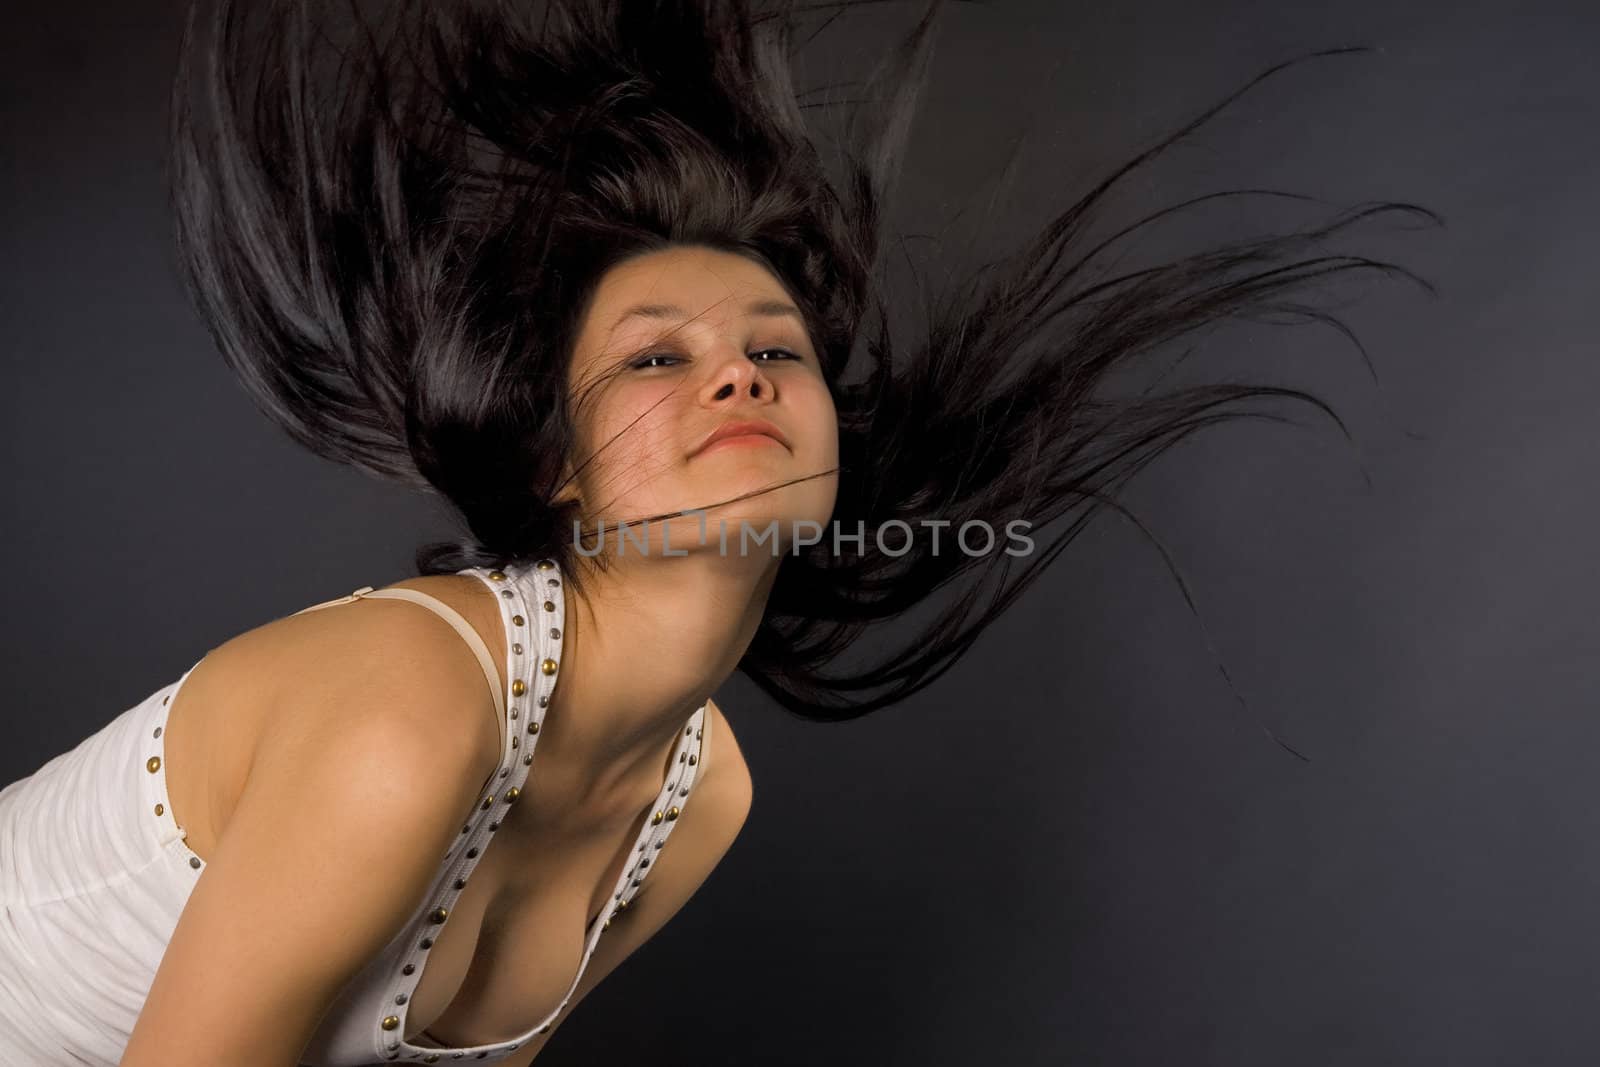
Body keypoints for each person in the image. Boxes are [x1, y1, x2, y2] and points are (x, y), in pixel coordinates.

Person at [0, 0, 1437, 1064]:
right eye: (653, 358)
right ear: (559, 466)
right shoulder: (411, 709)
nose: (739, 373)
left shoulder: (700, 805)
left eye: (776, 350)